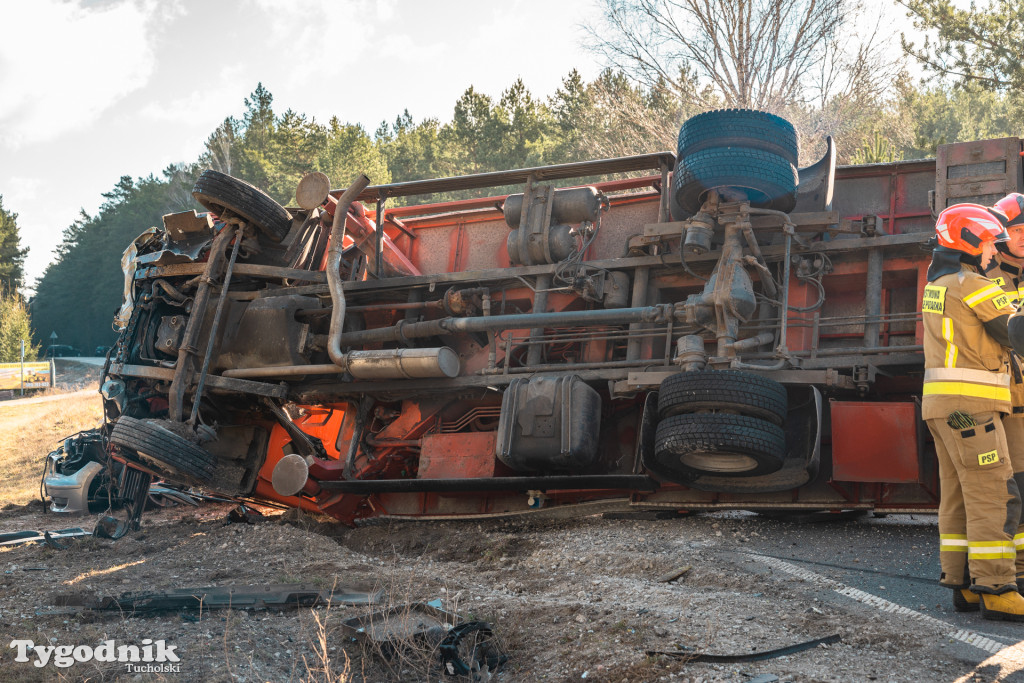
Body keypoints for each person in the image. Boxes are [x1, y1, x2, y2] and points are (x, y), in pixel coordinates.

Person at [923, 202, 1024, 620]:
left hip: (944, 407)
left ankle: (962, 584)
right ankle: (997, 588)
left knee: (959, 496)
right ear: (967, 241)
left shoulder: (940, 283)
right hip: (973, 407)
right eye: (987, 243)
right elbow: (1014, 332)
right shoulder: (973, 285)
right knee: (995, 494)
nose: (992, 253)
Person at [982, 193, 1024, 596]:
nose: (1023, 237)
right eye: (1015, 230)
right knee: (1014, 493)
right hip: (1008, 401)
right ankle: (1018, 576)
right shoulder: (988, 279)